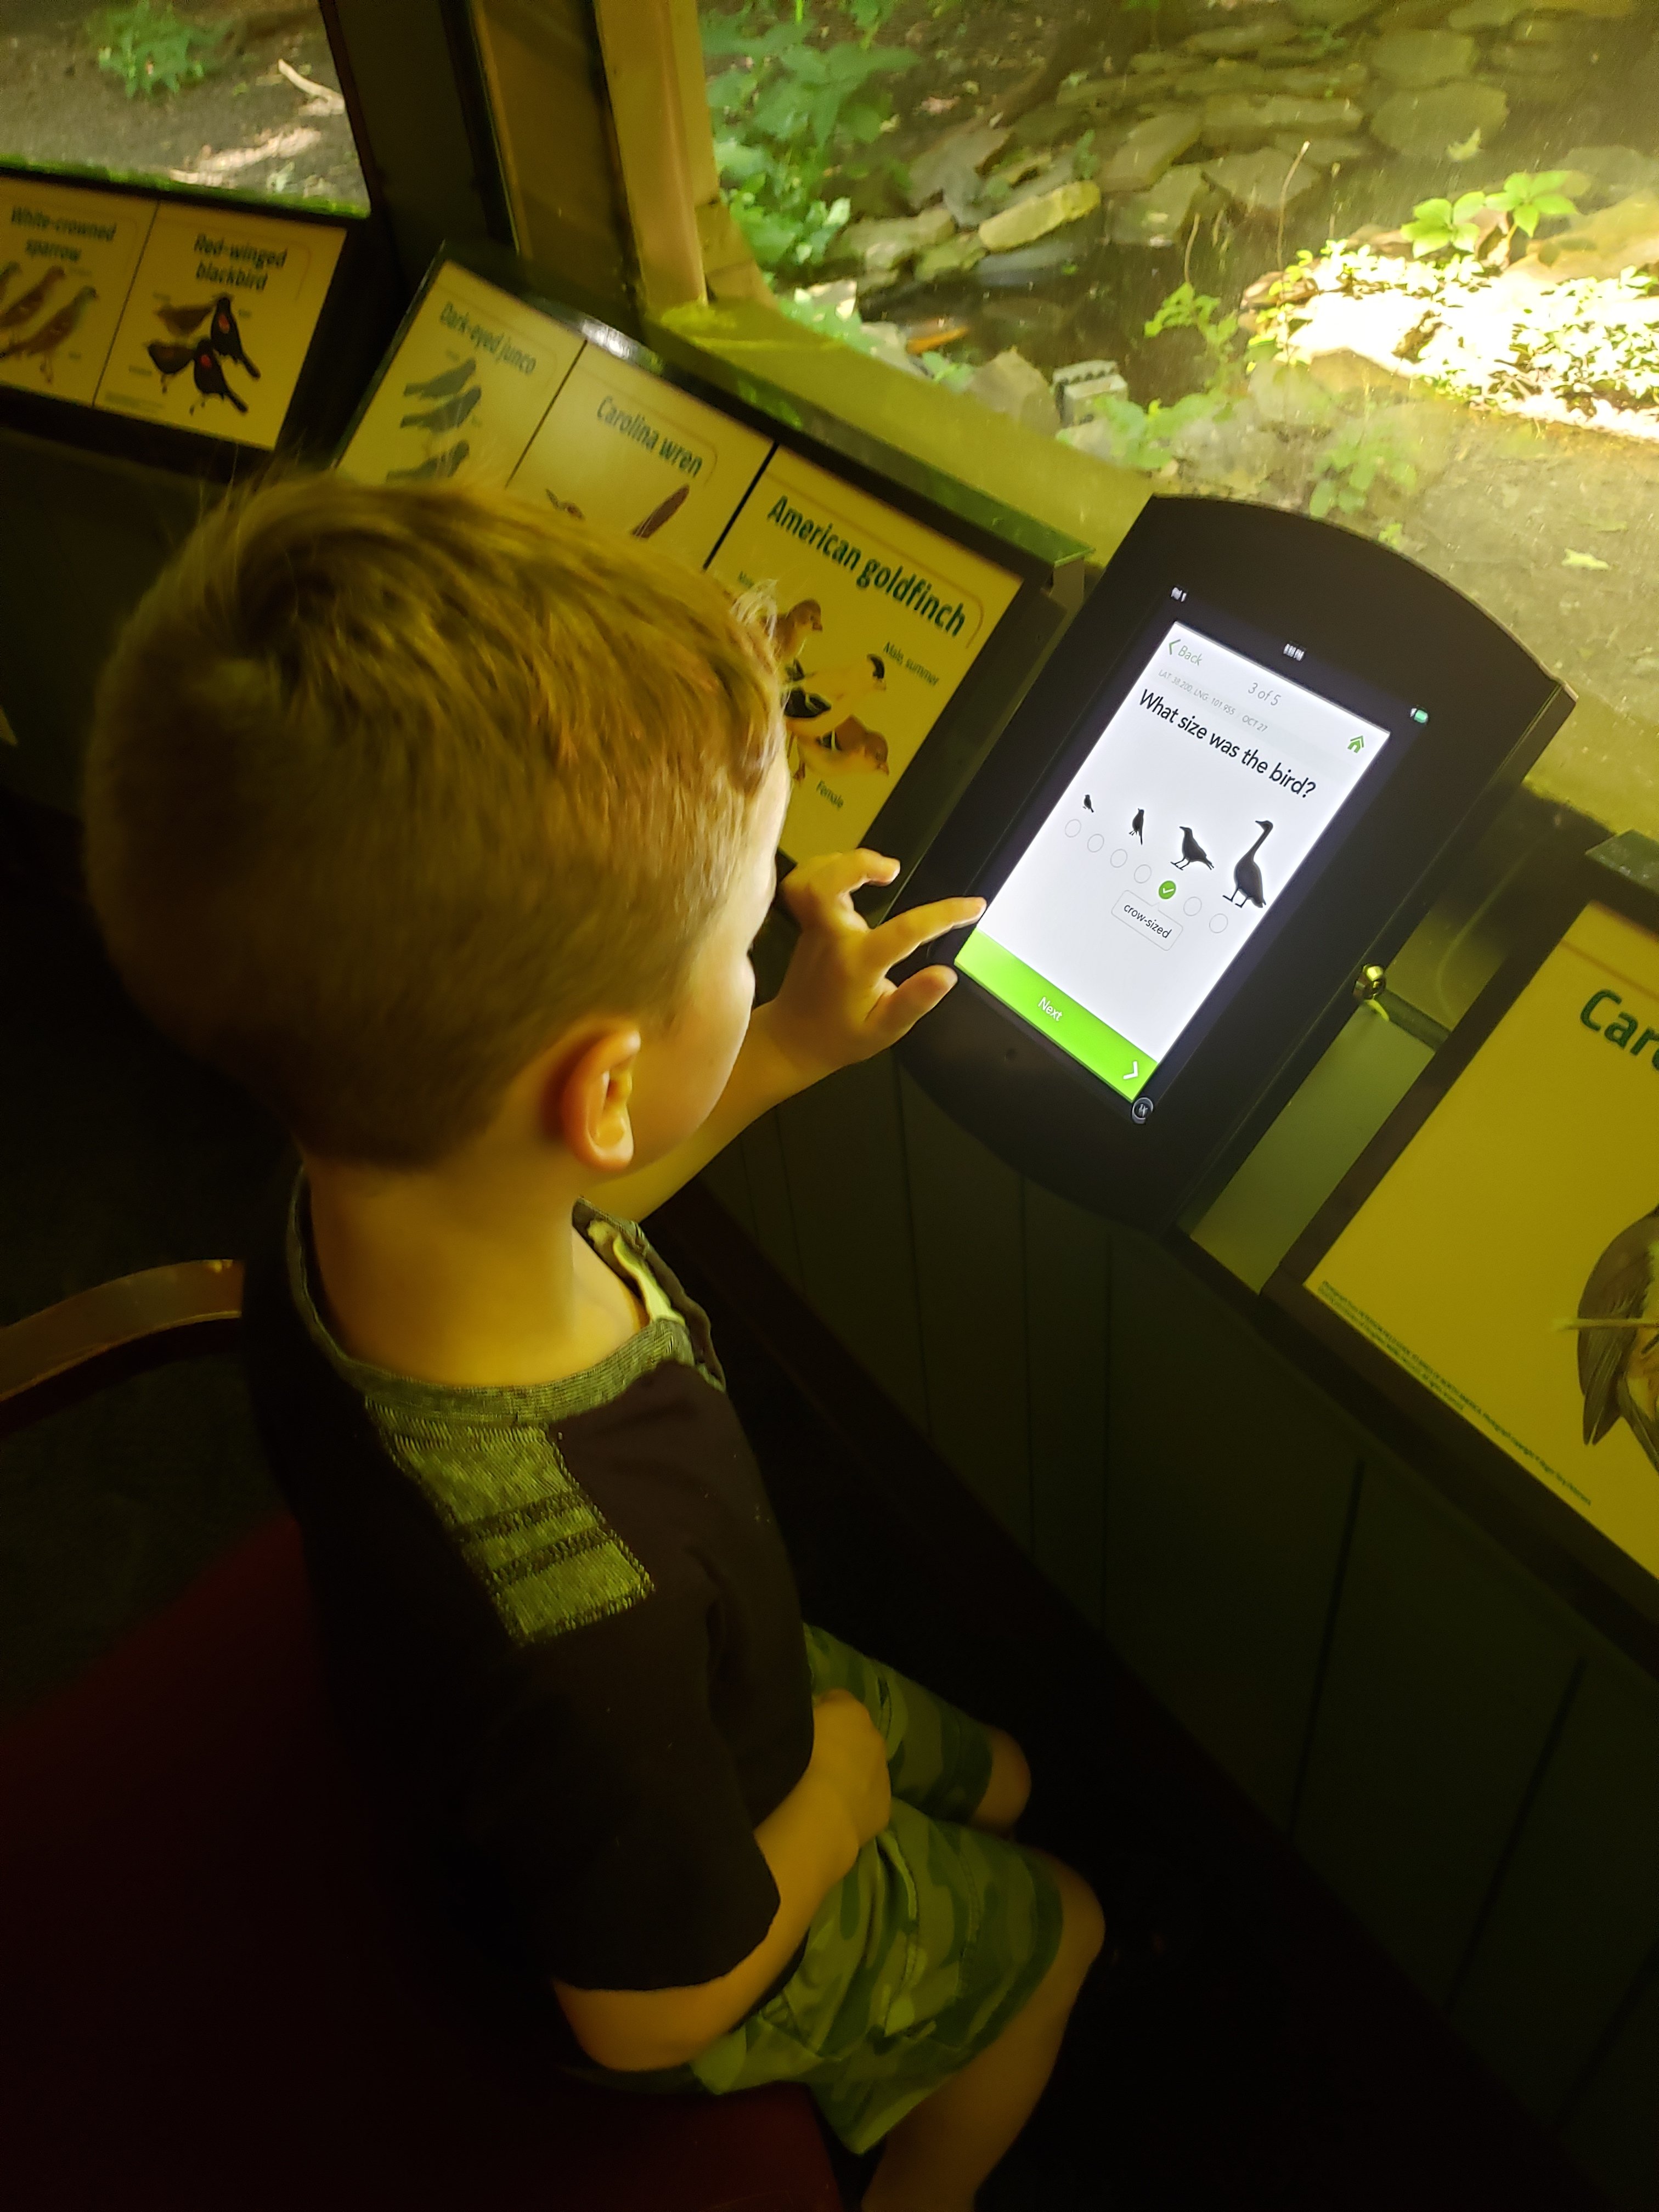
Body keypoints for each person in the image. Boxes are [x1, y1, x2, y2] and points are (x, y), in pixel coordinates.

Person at [81, 477, 1104, 2212]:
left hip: (655, 1692)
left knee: (999, 1773)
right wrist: (840, 1804)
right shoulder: (581, 1596)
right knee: (1059, 1929)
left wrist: (773, 1047)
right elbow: (643, 2007)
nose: (770, 924)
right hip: (659, 1905)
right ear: (607, 1084)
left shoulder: (351, 1188)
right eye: (740, 935)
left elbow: (576, 1197)